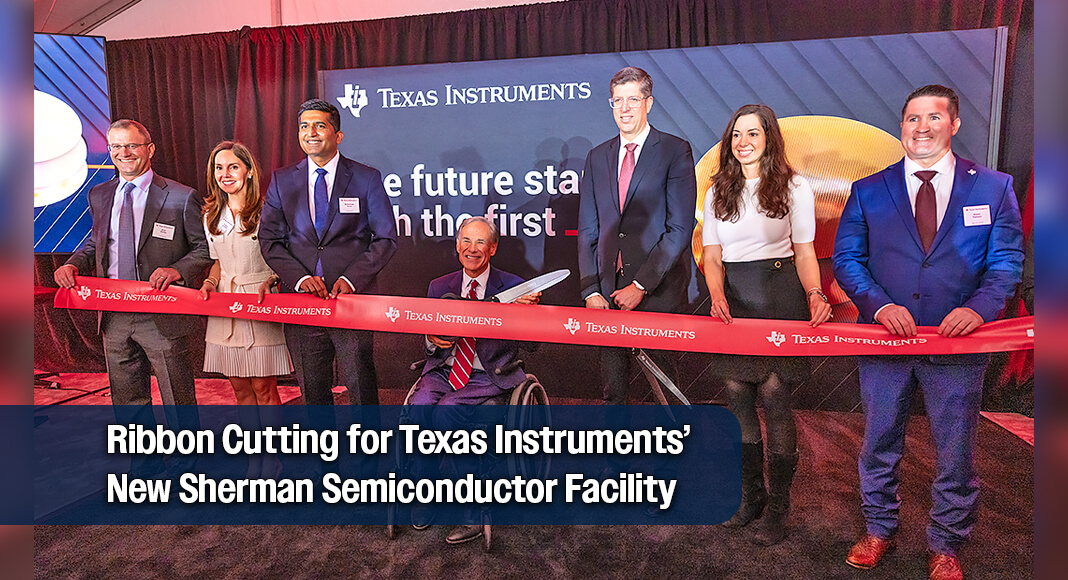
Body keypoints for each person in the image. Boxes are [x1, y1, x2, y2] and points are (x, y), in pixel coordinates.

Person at [833, 85, 1023, 580]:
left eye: (933, 117)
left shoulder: (993, 188)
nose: (922, 127)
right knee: (878, 443)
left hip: (958, 345)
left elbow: (1006, 263)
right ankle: (878, 529)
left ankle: (946, 544)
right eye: (913, 118)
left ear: (954, 124)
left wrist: (979, 309)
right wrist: (878, 305)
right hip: (885, 342)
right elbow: (847, 260)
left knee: (956, 452)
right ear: (902, 126)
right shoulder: (869, 189)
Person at [701, 104, 832, 545]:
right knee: (737, 393)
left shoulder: (795, 186)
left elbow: (805, 251)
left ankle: (778, 507)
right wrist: (717, 295)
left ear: (769, 138)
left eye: (753, 134)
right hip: (734, 297)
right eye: (737, 135)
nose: (743, 143)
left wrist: (815, 294)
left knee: (775, 395)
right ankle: (752, 497)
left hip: (780, 295)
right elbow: (712, 256)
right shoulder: (717, 190)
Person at [54, 119, 212, 476]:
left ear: (149, 149)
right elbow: (96, 243)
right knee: (127, 399)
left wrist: (177, 270)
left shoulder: (180, 195)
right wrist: (73, 264)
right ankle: (144, 469)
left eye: (132, 145)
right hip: (113, 315)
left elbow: (204, 250)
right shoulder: (100, 194)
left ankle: (188, 469)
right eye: (116, 146)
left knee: (177, 398)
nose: (124, 153)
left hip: (161, 313)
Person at [407, 216, 541, 545]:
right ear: (457, 245)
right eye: (466, 241)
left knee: (447, 412)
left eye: (480, 242)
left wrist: (528, 314)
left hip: (488, 375)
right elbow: (426, 344)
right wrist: (431, 339)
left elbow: (534, 344)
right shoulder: (439, 287)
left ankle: (473, 509)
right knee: (419, 409)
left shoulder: (515, 287)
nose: (472, 248)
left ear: (492, 248)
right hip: (444, 370)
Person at [259, 99, 398, 406]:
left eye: (320, 125)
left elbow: (386, 238)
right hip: (302, 304)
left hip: (351, 301)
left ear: (338, 135)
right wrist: (299, 279)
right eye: (304, 126)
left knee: (361, 388)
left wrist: (351, 279)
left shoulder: (366, 178)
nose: (311, 132)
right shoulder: (282, 180)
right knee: (313, 393)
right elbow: (269, 239)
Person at [577, 66, 697, 404]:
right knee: (613, 393)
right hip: (607, 295)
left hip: (657, 291)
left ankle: (670, 441)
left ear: (649, 103)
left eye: (632, 99)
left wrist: (640, 286)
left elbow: (679, 229)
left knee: (664, 395)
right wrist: (591, 289)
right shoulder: (597, 156)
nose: (624, 108)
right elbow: (588, 228)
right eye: (617, 100)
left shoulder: (674, 150)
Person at [199, 141, 293, 478]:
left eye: (233, 167)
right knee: (240, 389)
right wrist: (210, 281)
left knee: (264, 388)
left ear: (249, 171)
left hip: (259, 301)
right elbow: (216, 262)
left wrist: (273, 279)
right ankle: (255, 458)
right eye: (219, 168)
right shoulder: (211, 215)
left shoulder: (268, 211)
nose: (225, 174)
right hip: (225, 305)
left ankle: (273, 458)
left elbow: (284, 259)